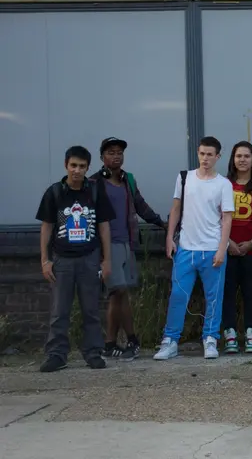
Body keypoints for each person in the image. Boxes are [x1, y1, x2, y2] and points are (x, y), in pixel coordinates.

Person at [154, 136, 235, 361]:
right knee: (178, 295)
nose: (205, 158)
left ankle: (210, 338)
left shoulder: (223, 184)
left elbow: (227, 218)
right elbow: (175, 209)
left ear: (218, 156)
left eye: (210, 154)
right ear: (197, 154)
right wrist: (170, 238)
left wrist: (222, 249)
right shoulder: (184, 178)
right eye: (202, 153)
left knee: (214, 297)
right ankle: (170, 340)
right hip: (186, 248)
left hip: (212, 248)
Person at [36, 146, 115, 372]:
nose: (77, 170)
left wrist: (107, 260)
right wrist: (45, 260)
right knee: (59, 311)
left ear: (88, 168)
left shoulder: (95, 191)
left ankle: (93, 352)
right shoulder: (55, 192)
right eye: (73, 165)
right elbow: (46, 227)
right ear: (66, 165)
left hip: (89, 258)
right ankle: (57, 354)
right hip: (62, 260)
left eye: (81, 166)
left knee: (91, 310)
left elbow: (104, 226)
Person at [92, 137, 167, 361]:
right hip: (108, 245)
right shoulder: (95, 183)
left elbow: (141, 206)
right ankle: (132, 340)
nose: (116, 156)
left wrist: (162, 223)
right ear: (102, 157)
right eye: (111, 152)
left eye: (119, 152)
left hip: (128, 243)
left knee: (118, 294)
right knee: (119, 290)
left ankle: (110, 344)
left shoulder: (128, 180)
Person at [222, 141, 252, 355]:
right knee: (227, 292)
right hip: (226, 249)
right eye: (238, 156)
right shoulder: (223, 185)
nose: (242, 160)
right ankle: (229, 334)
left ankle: (251, 333)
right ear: (232, 160)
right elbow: (216, 216)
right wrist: (228, 242)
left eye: (247, 156)